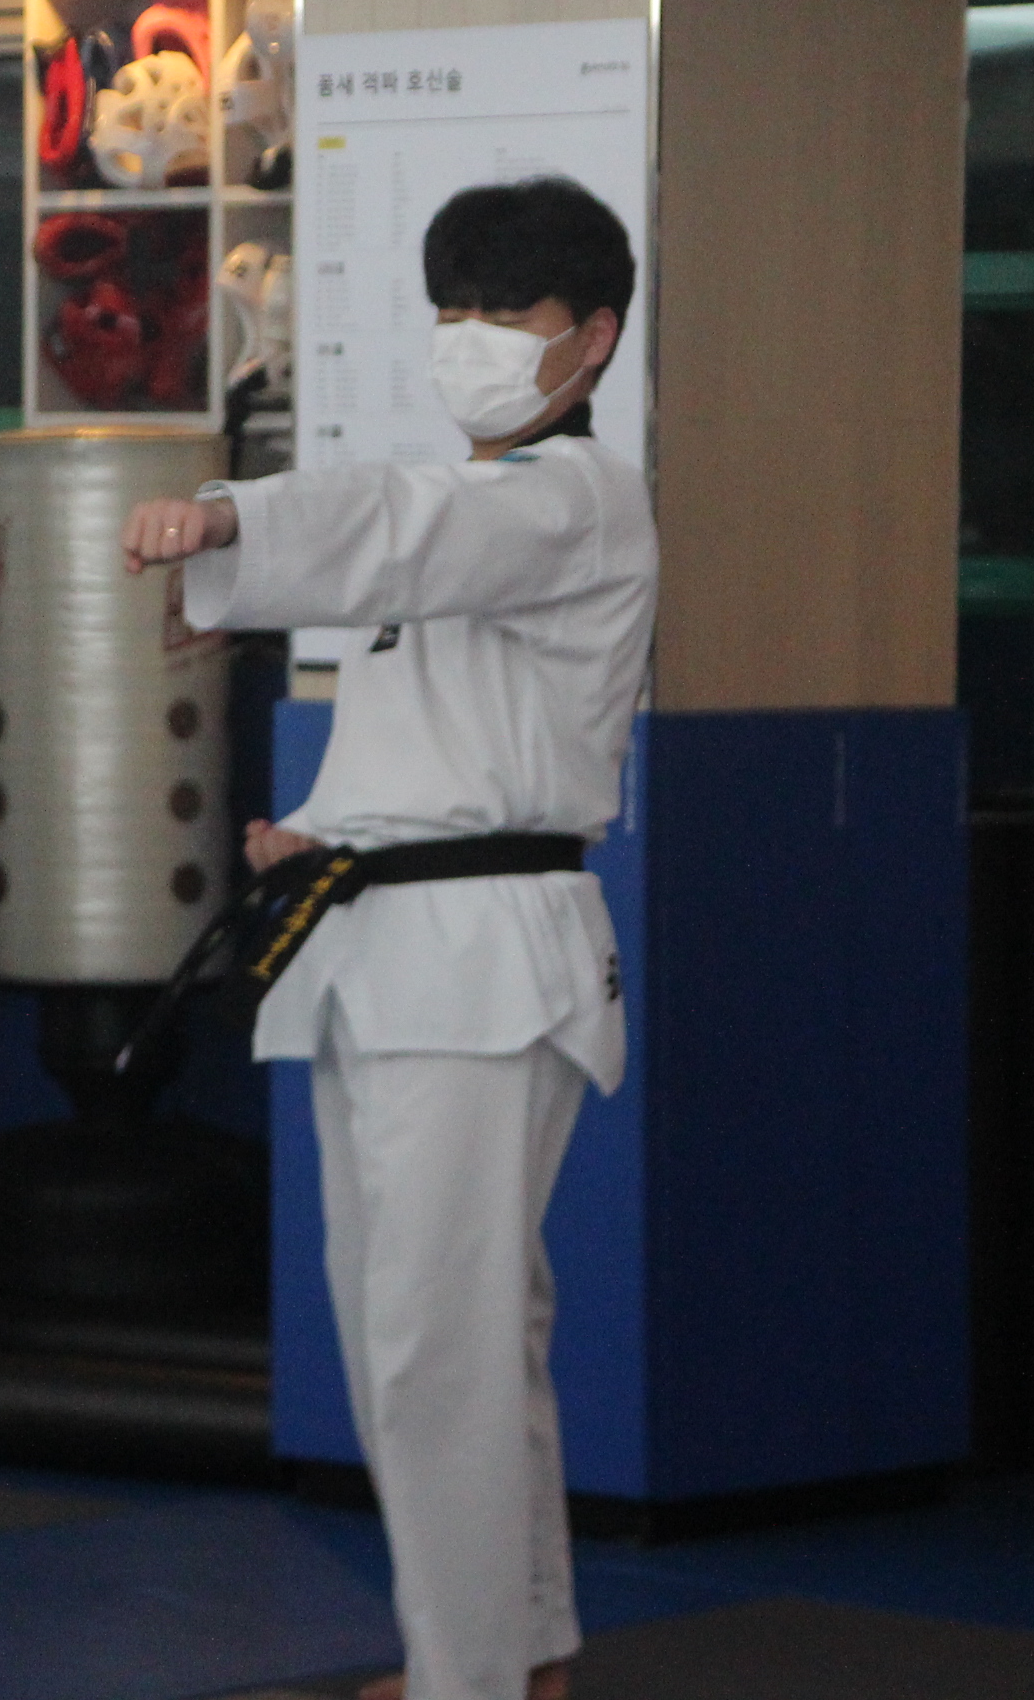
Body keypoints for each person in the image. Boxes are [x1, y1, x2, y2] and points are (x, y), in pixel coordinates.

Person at [121, 176, 654, 1700]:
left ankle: (470, 1677)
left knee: (439, 1343)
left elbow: (408, 527)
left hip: (482, 969)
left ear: (592, 339)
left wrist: (233, 515)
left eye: (509, 312)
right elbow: (446, 734)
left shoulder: (574, 500)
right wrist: (324, 829)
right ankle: (517, 1653)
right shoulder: (472, 527)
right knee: (433, 1333)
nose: (470, 337)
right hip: (388, 948)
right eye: (453, 310)